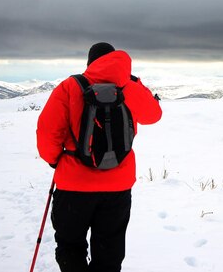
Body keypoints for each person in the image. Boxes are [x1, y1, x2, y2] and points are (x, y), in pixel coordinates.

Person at [36, 42, 162, 272]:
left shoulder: (70, 87)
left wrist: (56, 161)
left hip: (73, 185)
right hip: (117, 187)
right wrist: (135, 84)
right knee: (109, 253)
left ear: (90, 62)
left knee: (70, 247)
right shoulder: (129, 87)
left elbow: (47, 133)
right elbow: (154, 115)